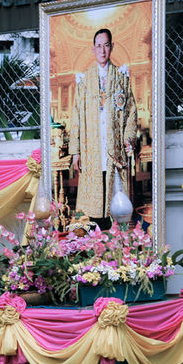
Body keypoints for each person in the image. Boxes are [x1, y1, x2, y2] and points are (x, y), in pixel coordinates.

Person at [67, 28, 138, 227]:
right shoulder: (84, 80)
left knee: (113, 181)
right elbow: (76, 116)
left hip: (113, 143)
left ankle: (116, 225)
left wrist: (127, 138)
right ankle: (95, 225)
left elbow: (131, 111)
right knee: (95, 183)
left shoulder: (121, 77)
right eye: (98, 46)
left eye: (106, 45)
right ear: (93, 49)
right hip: (92, 145)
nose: (102, 50)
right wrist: (76, 151)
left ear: (111, 47)